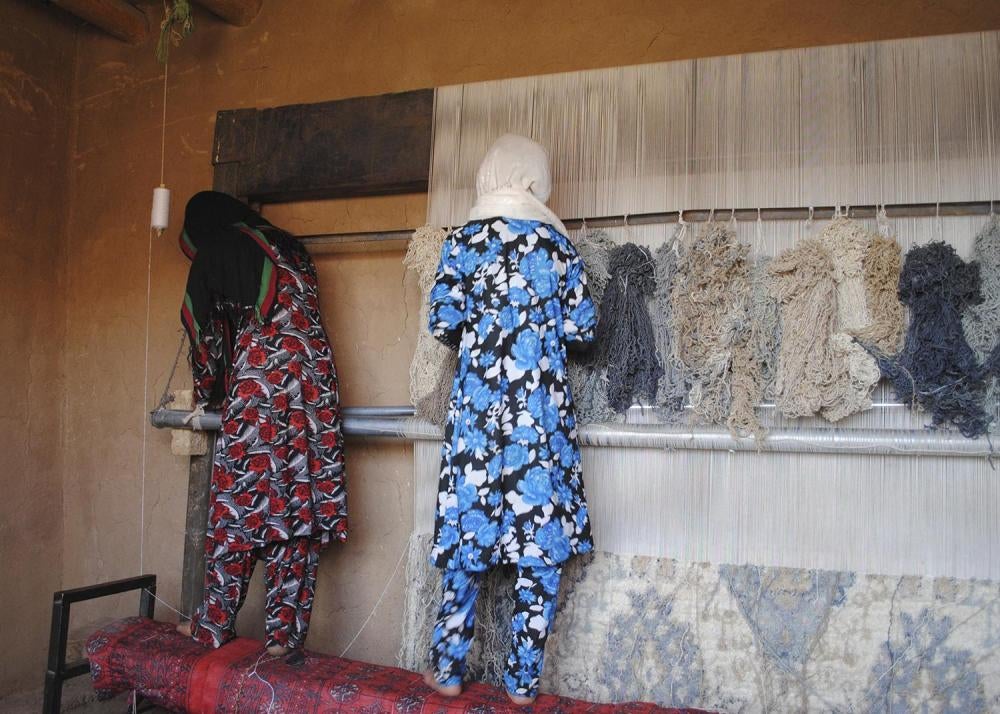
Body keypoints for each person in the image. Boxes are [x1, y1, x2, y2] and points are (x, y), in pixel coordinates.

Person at [423, 134, 597, 704]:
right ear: (535, 178)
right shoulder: (557, 248)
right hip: (538, 420)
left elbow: (442, 322)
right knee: (537, 551)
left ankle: (447, 670)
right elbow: (583, 331)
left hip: (477, 416)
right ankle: (522, 684)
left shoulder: (462, 243)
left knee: (468, 539)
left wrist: (485, 332)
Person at [175, 191, 346, 656]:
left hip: (262, 388)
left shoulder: (216, 250)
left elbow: (203, 334)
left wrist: (206, 388)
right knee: (293, 509)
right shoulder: (292, 248)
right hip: (315, 388)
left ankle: (211, 625)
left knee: (238, 505)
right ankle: (282, 639)